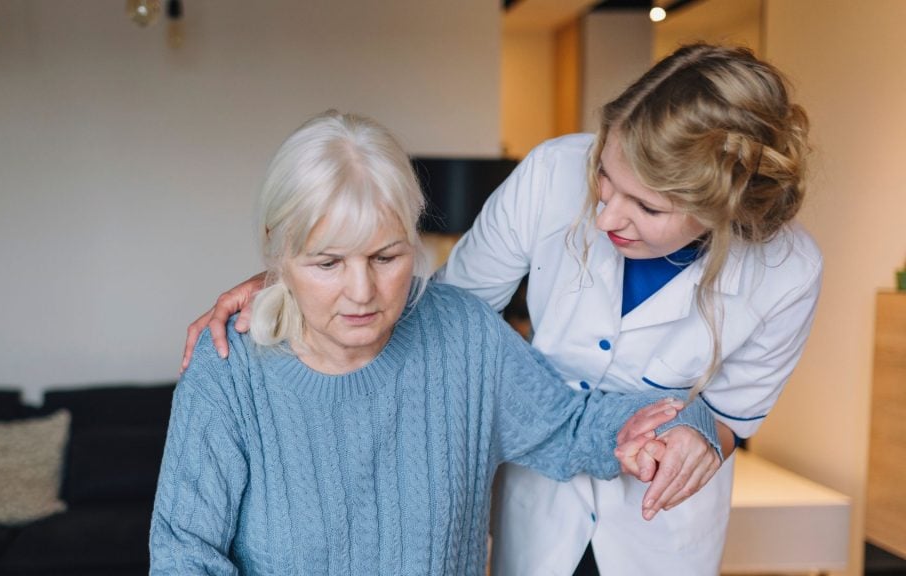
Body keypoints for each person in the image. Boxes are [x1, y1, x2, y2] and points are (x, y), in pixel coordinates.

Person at [179, 43, 822, 575]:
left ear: (722, 206)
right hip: (536, 516)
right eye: (604, 175)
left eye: (648, 207)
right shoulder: (549, 175)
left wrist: (692, 433)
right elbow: (439, 311)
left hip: (657, 528)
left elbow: (722, 415)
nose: (605, 217)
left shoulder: (787, 273)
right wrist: (290, 281)